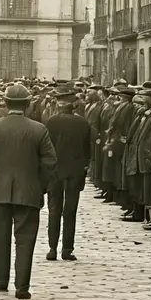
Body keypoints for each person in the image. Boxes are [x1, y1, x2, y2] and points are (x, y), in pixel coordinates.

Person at [0, 83, 57, 300]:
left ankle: (1, 279)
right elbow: (50, 162)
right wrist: (41, 186)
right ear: (28, 104)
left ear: (5, 103)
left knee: (0, 236)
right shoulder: (39, 129)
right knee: (25, 239)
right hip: (29, 191)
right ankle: (22, 286)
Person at [44, 87, 91, 261]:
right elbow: (88, 149)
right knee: (70, 210)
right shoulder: (83, 123)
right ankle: (67, 249)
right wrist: (85, 166)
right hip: (75, 170)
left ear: (59, 104)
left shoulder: (52, 122)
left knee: (54, 209)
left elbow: (46, 147)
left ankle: (52, 248)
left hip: (55, 170)